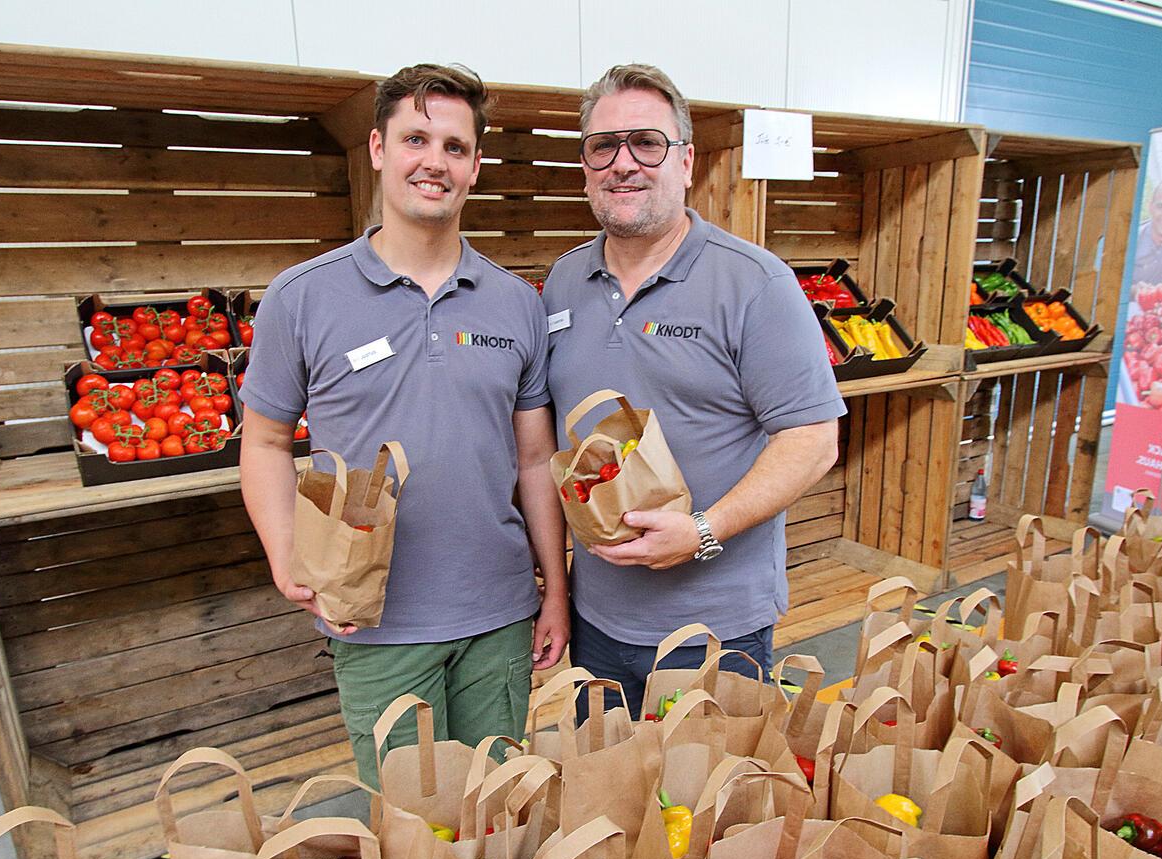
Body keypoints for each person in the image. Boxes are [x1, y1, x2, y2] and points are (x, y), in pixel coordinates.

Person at [239, 64, 569, 787]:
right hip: (374, 619)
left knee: (495, 812)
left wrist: (556, 590)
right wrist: (285, 552)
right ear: (378, 149)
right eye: (415, 139)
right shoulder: (302, 297)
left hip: (498, 616)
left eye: (455, 147)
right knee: (413, 822)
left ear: (475, 166)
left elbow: (535, 460)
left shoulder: (516, 303)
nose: (434, 161)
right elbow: (263, 441)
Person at [542, 64, 844, 718]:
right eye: (603, 146)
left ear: (686, 162)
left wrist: (704, 531)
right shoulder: (563, 283)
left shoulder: (755, 284)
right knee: (608, 779)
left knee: (707, 785)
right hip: (597, 619)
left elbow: (814, 440)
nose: (624, 163)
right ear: (585, 168)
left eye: (647, 143)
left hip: (713, 630)